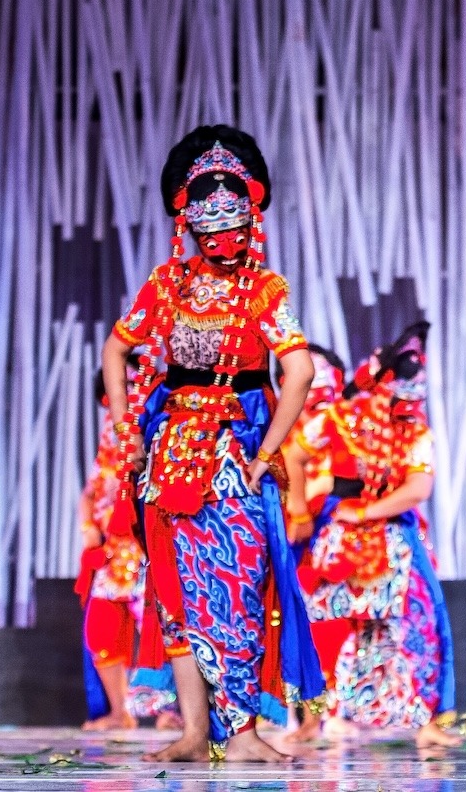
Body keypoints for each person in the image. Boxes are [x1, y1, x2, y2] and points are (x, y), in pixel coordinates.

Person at [101, 124, 324, 763]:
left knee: (235, 582)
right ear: (189, 222)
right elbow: (118, 349)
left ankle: (237, 731)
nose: (224, 235)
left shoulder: (260, 290)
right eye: (213, 223)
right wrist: (124, 428)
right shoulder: (179, 285)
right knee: (180, 590)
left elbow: (299, 370)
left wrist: (265, 454)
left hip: (220, 455)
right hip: (185, 457)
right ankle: (200, 733)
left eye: (234, 221)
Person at [285, 323, 461, 749]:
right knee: (325, 627)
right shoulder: (340, 417)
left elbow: (418, 489)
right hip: (339, 540)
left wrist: (367, 511)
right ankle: (311, 722)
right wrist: (298, 508)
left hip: (393, 538)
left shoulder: (415, 430)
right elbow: (292, 454)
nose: (407, 404)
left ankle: (427, 724)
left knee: (419, 621)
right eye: (401, 393)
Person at [78, 361, 179, 732]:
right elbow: (90, 492)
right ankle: (122, 712)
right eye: (120, 385)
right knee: (101, 629)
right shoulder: (110, 434)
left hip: (148, 542)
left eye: (136, 383)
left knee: (162, 628)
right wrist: (88, 526)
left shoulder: (159, 426)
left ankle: (176, 711)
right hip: (113, 549)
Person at [280, 344, 351, 743]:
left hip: (331, 535)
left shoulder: (340, 422)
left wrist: (309, 503)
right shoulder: (281, 425)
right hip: (290, 536)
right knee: (293, 623)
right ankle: (301, 713)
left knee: (328, 625)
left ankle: (325, 713)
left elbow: (340, 475)